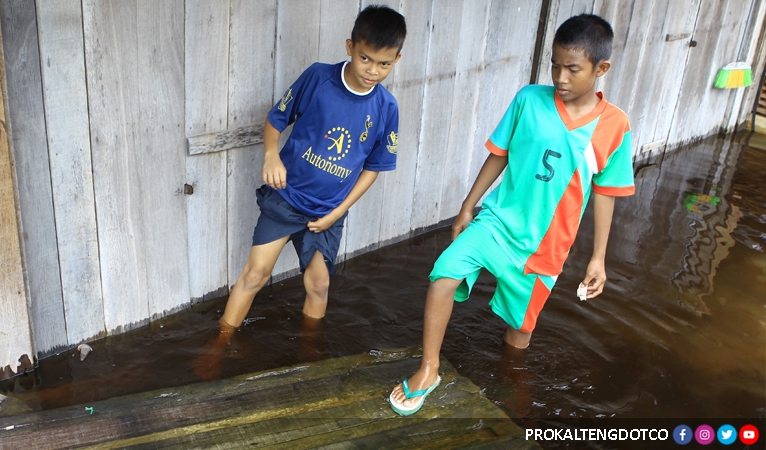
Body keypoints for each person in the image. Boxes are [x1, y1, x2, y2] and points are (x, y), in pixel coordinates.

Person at [389, 13, 635, 416]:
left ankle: (509, 386)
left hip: (545, 248)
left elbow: (606, 195)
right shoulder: (528, 99)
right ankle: (429, 368)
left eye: (573, 69)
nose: (560, 77)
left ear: (601, 69)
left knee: (519, 333)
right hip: (497, 222)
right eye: (555, 65)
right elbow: (499, 154)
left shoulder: (615, 125)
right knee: (443, 273)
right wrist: (469, 205)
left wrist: (598, 259)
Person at [219, 6, 406, 333]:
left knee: (319, 285)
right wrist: (270, 155)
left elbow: (373, 168)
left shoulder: (387, 108)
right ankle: (218, 346)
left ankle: (309, 351)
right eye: (365, 58)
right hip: (286, 199)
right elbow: (277, 119)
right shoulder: (319, 78)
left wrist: (338, 213)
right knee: (255, 274)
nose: (373, 70)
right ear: (350, 47)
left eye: (384, 63)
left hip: (328, 212)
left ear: (396, 60)